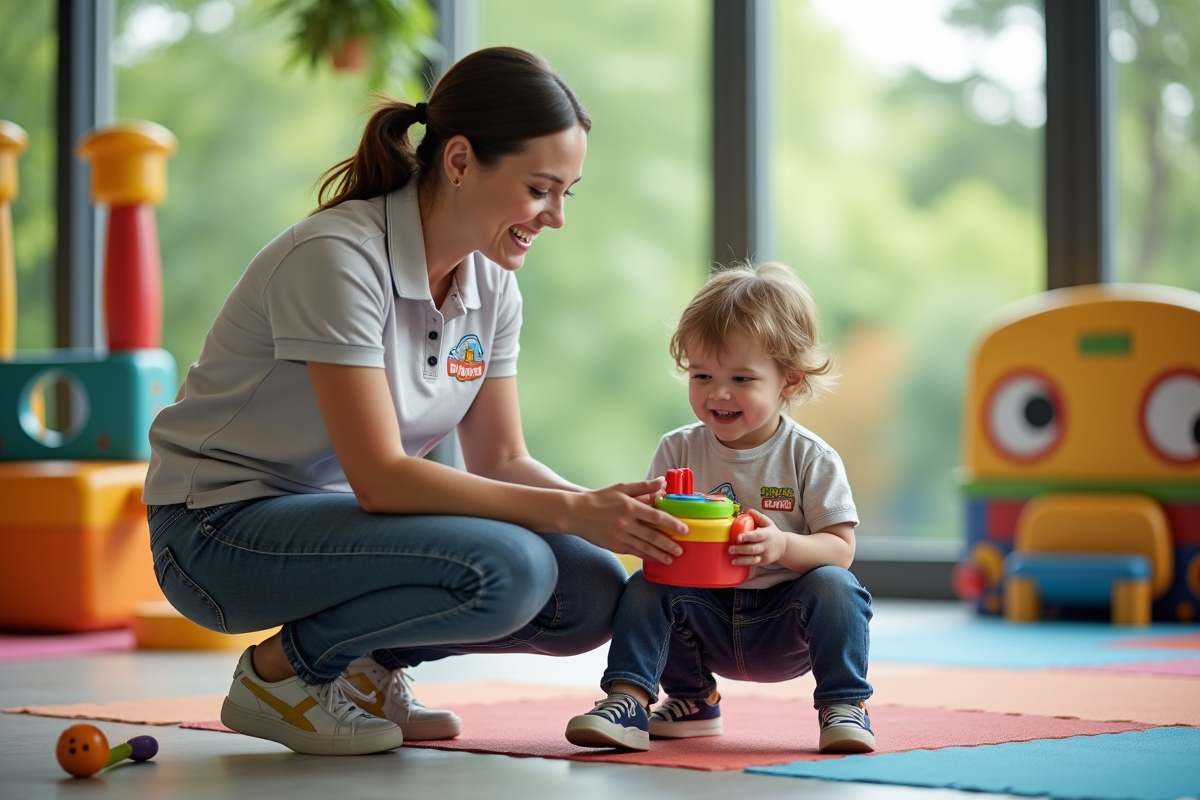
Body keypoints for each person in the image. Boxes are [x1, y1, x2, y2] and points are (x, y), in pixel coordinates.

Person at [141, 46, 690, 757]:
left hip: (343, 528)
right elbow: (381, 476)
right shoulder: (336, 259)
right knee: (512, 568)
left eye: (566, 193)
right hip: (214, 532)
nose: (554, 216)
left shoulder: (492, 284)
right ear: (459, 161)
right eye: (539, 189)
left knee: (586, 590)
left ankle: (367, 671)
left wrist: (609, 517)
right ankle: (281, 677)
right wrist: (573, 511)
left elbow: (502, 459)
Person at [563, 262, 875, 754]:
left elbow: (841, 549)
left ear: (788, 382)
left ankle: (844, 705)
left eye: (741, 378)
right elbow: (655, 535)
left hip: (782, 622)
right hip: (704, 620)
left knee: (838, 587)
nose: (718, 393)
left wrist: (781, 545)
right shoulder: (677, 450)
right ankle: (656, 700)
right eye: (702, 374)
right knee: (647, 584)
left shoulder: (809, 457)